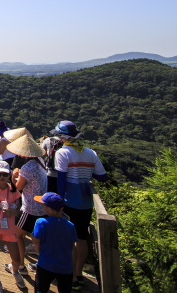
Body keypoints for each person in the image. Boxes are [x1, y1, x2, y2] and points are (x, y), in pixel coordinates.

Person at [52, 120, 108, 290]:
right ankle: (79, 274)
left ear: (63, 137)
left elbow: (61, 180)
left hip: (69, 202)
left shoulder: (63, 153)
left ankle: (69, 275)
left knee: (69, 239)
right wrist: (85, 173)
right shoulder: (91, 153)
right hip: (85, 202)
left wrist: (58, 202)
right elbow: (102, 177)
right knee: (81, 238)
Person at [6, 129, 47, 276]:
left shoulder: (27, 167)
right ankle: (42, 266)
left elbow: (19, 187)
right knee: (37, 239)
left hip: (30, 208)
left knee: (17, 236)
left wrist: (14, 177)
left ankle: (20, 265)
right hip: (43, 206)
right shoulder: (40, 162)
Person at [0, 161, 24, 293]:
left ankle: (14, 270)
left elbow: (18, 207)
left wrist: (14, 212)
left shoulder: (13, 190)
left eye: (5, 174)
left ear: (9, 175)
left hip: (8, 227)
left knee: (16, 258)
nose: (2, 176)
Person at [31, 193, 78, 293]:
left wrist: (40, 253)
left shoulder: (41, 222)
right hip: (66, 267)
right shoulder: (70, 226)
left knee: (40, 290)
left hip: (45, 264)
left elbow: (36, 241)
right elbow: (73, 248)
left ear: (50, 209)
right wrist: (72, 267)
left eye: (43, 204)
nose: (42, 206)